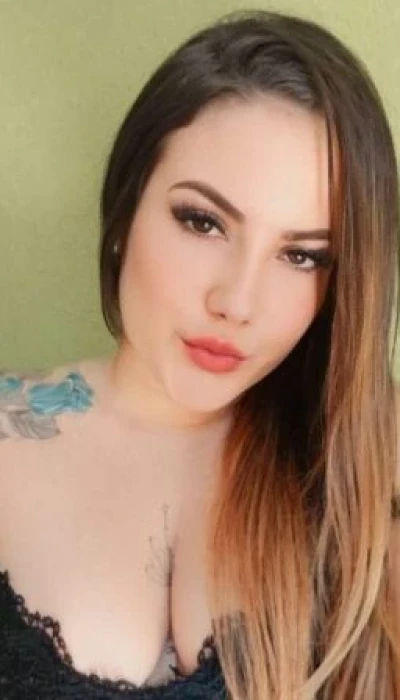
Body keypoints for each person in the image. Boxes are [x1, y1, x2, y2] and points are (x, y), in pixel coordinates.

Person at [0, 7, 399, 699]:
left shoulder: (365, 472)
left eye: (302, 256)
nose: (238, 302)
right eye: (202, 221)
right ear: (125, 209)